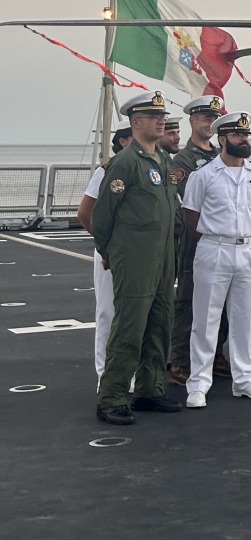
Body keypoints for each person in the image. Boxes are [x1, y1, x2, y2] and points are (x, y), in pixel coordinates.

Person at [92, 90, 180, 425]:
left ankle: (149, 389)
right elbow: (102, 216)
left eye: (162, 116)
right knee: (129, 327)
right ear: (136, 122)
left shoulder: (163, 160)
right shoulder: (125, 163)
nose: (161, 121)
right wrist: (110, 252)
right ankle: (112, 397)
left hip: (162, 257)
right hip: (135, 257)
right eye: (154, 116)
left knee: (159, 323)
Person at [180, 112, 251, 407]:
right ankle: (199, 383)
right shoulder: (203, 175)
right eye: (237, 135)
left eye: (246, 135)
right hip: (214, 248)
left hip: (248, 249)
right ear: (222, 139)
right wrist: (215, 237)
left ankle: (244, 379)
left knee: (243, 318)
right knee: (206, 319)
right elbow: (190, 216)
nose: (244, 140)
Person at [168, 95, 223, 386]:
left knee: (221, 301)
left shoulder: (222, 154)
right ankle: (180, 360)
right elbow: (190, 201)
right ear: (192, 120)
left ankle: (217, 354)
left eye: (214, 118)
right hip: (196, 240)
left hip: (223, 240)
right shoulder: (183, 160)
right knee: (188, 302)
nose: (210, 122)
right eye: (205, 118)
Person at [78, 122, 133, 381]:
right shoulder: (107, 171)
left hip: (138, 252)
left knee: (136, 314)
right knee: (108, 313)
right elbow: (85, 213)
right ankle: (105, 373)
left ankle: (133, 371)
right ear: (123, 141)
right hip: (112, 252)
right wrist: (105, 246)